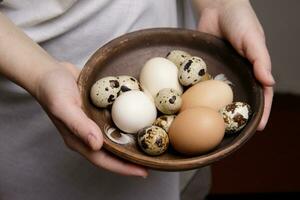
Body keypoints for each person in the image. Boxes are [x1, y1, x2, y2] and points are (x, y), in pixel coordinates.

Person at [0, 0, 274, 199]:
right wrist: (40, 75)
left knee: (186, 187)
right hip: (35, 92)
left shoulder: (184, 100)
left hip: (165, 57)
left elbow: (193, 124)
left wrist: (221, 4)